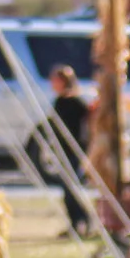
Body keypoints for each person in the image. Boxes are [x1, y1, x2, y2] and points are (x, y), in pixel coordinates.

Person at [42, 66, 92, 233]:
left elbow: (88, 122)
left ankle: (83, 219)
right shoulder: (59, 101)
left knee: (72, 188)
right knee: (67, 188)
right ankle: (76, 222)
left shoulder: (76, 102)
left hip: (75, 151)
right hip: (62, 150)